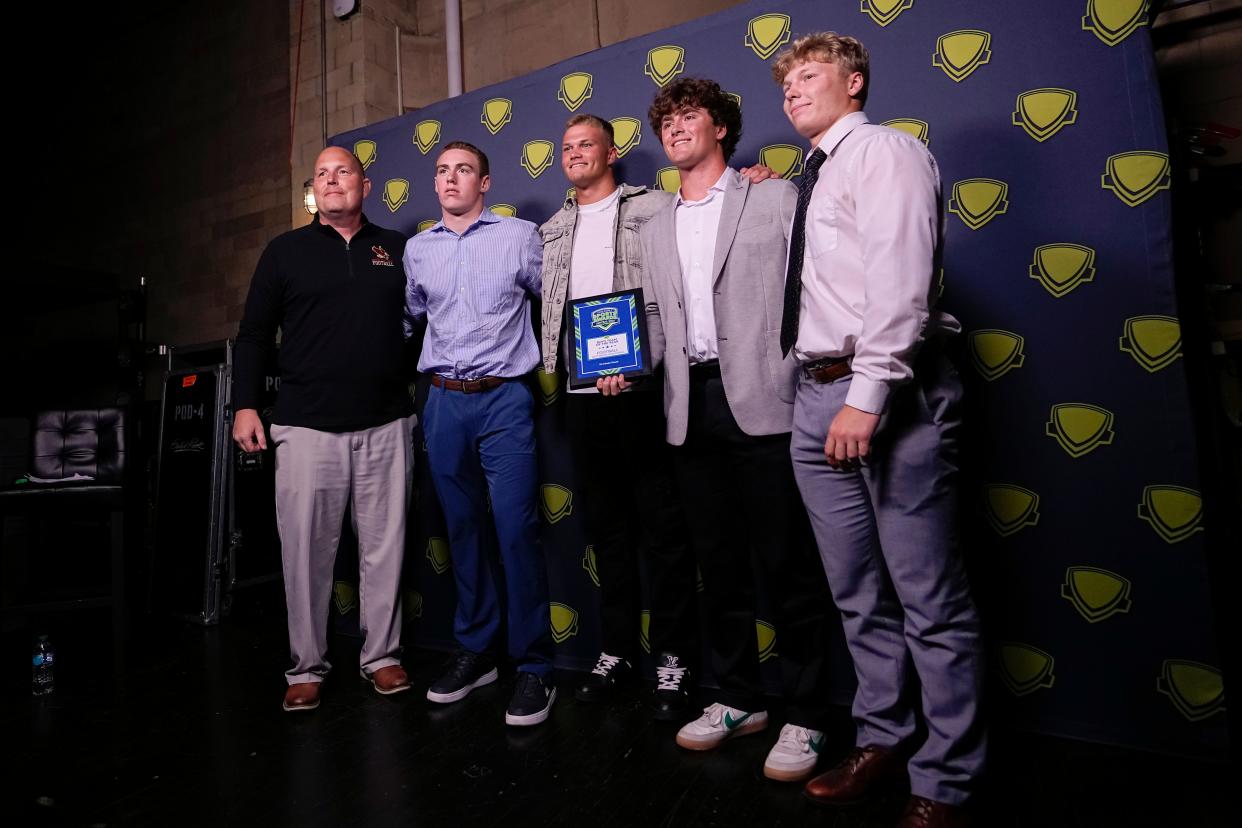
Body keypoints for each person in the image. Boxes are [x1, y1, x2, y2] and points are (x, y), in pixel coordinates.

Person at [774, 32, 985, 827]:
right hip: (815, 394)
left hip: (885, 393)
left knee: (928, 597)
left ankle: (947, 780)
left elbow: (901, 282)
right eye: (787, 81)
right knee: (857, 595)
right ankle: (885, 738)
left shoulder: (885, 153)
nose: (793, 90)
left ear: (854, 82)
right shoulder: (814, 173)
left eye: (811, 75)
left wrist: (867, 397)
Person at [603, 77, 835, 782]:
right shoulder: (654, 220)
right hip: (687, 405)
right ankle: (737, 697)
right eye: (666, 120)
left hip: (766, 401)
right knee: (717, 564)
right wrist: (622, 364)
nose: (675, 128)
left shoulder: (776, 194)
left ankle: (808, 712)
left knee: (788, 566)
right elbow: (649, 315)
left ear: (721, 129)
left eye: (689, 116)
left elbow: (814, 286)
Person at [234, 146, 415, 713]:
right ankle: (306, 666)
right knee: (306, 554)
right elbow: (254, 335)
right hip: (306, 426)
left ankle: (381, 657)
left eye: (344, 172)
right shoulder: (284, 252)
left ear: (365, 183)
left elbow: (424, 324)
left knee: (385, 551)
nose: (334, 181)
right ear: (314, 191)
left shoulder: (398, 249)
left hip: (386, 422)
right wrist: (243, 406)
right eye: (323, 175)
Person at [538, 113, 698, 718]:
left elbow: (707, 213)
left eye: (586, 144)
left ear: (611, 152)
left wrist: (755, 178)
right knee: (606, 534)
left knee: (662, 530)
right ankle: (618, 651)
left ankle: (675, 657)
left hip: (640, 391)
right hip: (581, 397)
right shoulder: (551, 230)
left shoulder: (655, 207)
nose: (576, 153)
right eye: (567, 146)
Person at [403, 141, 555, 727]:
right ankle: (477, 652)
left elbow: (557, 297)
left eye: (463, 170)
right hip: (442, 401)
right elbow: (410, 318)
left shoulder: (518, 237)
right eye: (441, 170)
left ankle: (536, 665)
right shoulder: (418, 250)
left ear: (485, 182)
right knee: (462, 529)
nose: (450, 179)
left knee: (516, 529)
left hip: (504, 401)